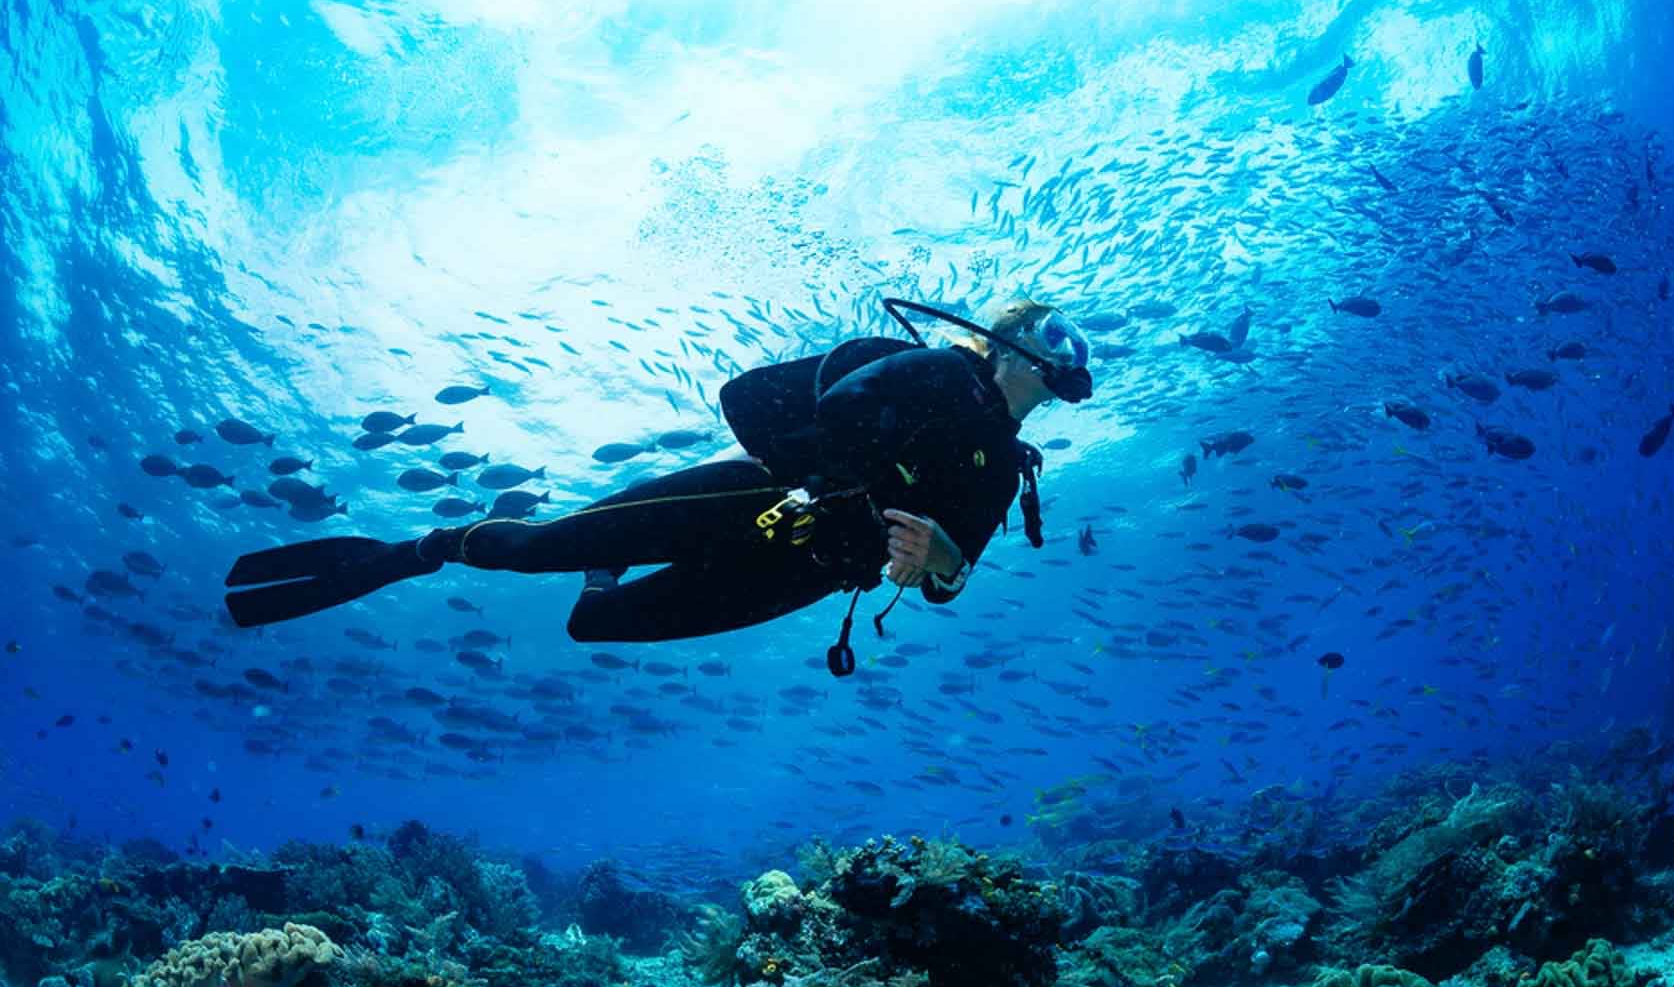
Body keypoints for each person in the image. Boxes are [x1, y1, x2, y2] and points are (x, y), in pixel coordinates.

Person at [224, 297, 1092, 673]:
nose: (1071, 354)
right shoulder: (939, 373)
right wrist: (857, 485)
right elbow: (817, 404)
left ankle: (603, 569)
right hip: (756, 498)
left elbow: (949, 579)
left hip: (813, 571)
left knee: (596, 620)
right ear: (1010, 343)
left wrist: (938, 563)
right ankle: (415, 551)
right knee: (532, 548)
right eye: (1057, 333)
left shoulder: (1007, 467)